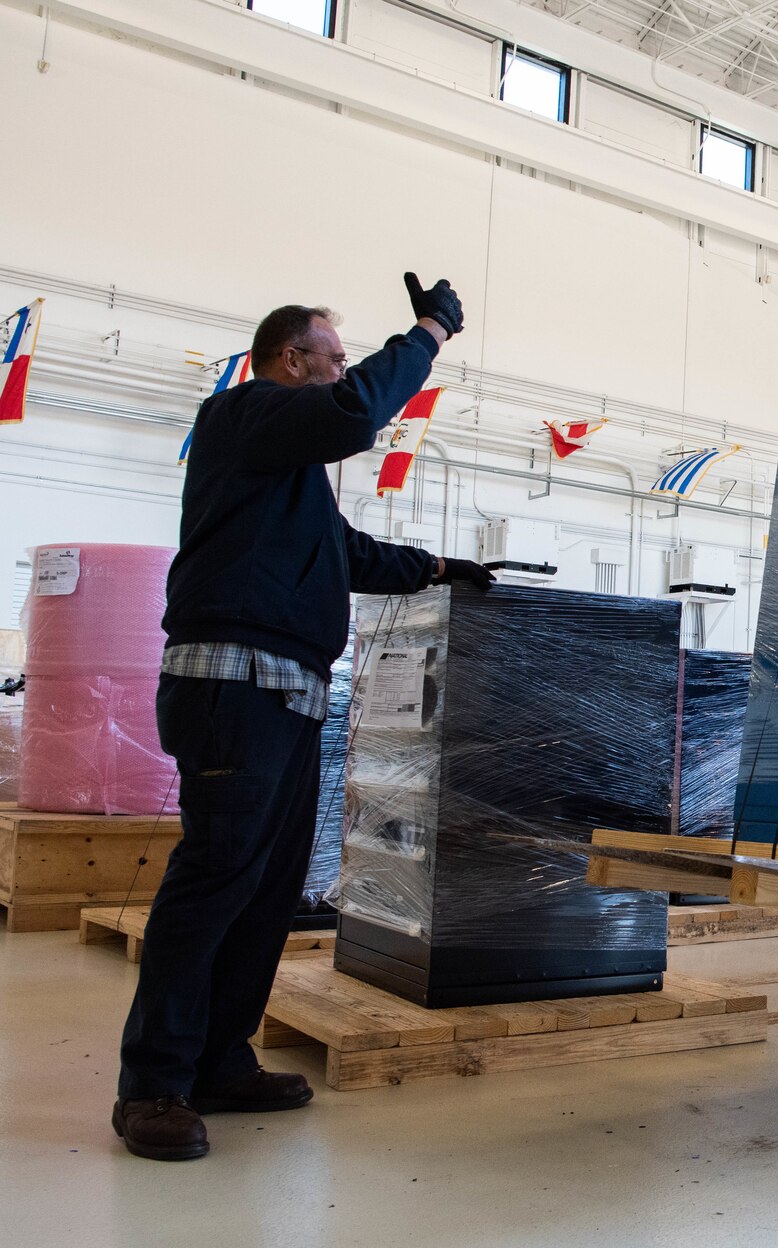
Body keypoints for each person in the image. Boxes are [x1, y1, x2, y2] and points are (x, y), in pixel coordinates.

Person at [113, 274, 495, 1161]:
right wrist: (428, 332)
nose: (341, 371)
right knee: (215, 877)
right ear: (293, 361)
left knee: (266, 886)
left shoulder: (284, 473)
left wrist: (436, 565)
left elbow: (340, 552)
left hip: (285, 692)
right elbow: (354, 413)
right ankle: (154, 1085)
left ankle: (218, 1060)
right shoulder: (246, 416)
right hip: (232, 686)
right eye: (332, 357)